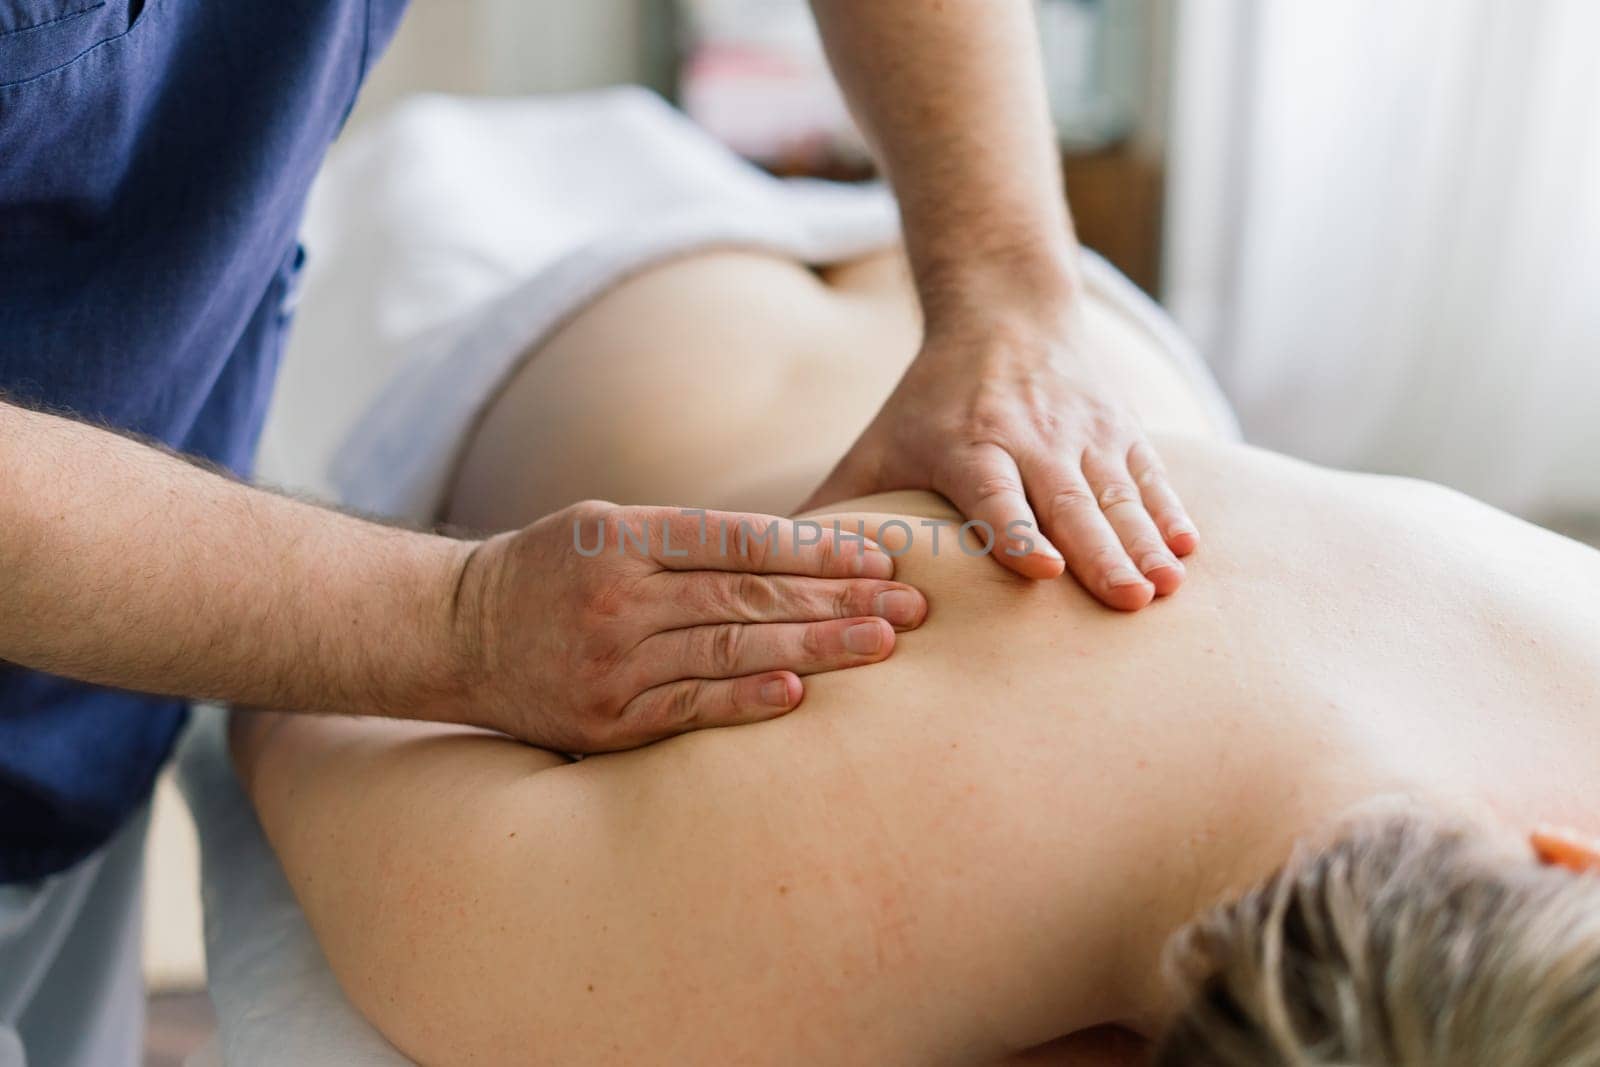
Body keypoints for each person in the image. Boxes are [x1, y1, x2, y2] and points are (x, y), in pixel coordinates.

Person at [0, 3, 1195, 1060]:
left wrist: (1006, 289)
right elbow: (283, 720)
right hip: (516, 298)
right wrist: (451, 624)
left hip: (1017, 313)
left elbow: (287, 730)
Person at [230, 243, 1600, 1065]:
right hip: (546, 293)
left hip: (1041, 302)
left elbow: (300, 688)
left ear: (1568, 857)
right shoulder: (751, 939)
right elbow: (281, 705)